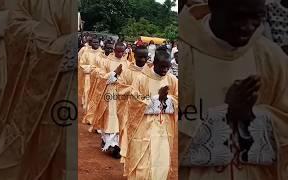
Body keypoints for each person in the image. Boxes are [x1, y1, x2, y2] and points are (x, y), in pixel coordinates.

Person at [179, 1, 288, 180]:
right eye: (238, 16)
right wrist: (225, 115)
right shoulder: (182, 54)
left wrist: (252, 116)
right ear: (214, 5)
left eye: (257, 17)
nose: (248, 27)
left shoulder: (272, 58)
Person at [0, 0, 76, 179]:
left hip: (70, 88)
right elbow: (12, 25)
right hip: (36, 86)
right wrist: (61, 46)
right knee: (31, 152)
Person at [121, 49, 178, 180]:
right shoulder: (141, 78)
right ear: (154, 63)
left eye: (167, 67)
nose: (165, 70)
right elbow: (134, 101)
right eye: (162, 67)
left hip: (164, 128)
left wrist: (168, 100)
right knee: (142, 164)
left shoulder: (172, 80)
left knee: (161, 161)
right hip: (142, 127)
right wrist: (157, 101)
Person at [83, 42, 129, 159]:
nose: (120, 54)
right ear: (114, 50)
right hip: (109, 92)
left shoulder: (127, 64)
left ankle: (115, 144)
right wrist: (113, 74)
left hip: (122, 94)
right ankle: (109, 143)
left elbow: (129, 79)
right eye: (118, 51)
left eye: (122, 51)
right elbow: (100, 75)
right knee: (110, 117)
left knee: (120, 118)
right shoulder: (106, 61)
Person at [79, 37, 101, 114]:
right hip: (88, 76)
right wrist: (90, 68)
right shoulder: (86, 52)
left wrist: (97, 70)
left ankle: (93, 111)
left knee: (95, 94)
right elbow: (82, 64)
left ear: (99, 43)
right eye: (94, 42)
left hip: (98, 77)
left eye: (97, 42)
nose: (96, 44)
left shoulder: (102, 53)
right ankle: (87, 110)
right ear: (91, 43)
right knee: (87, 92)